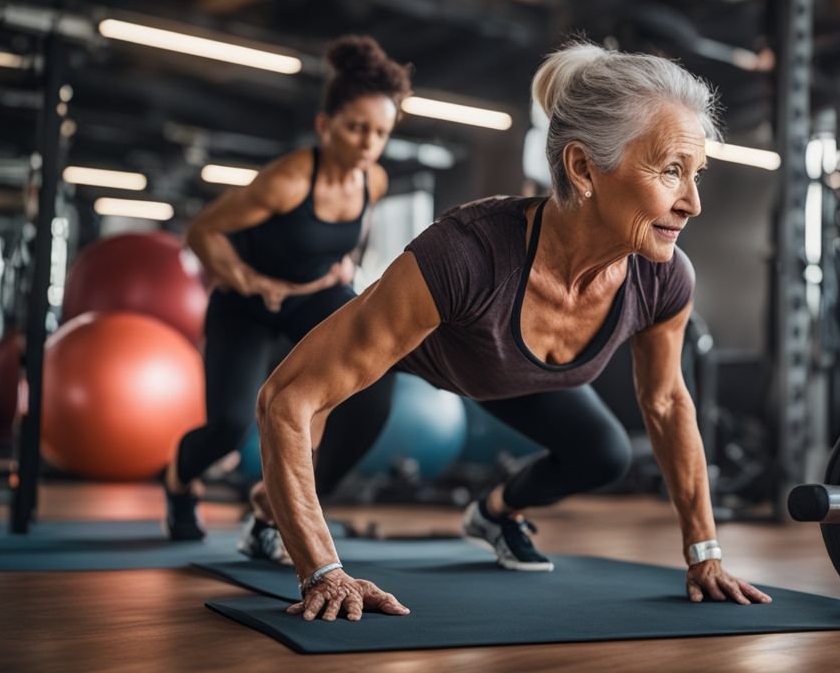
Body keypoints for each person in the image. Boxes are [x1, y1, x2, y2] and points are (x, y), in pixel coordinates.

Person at [253, 41, 772, 622]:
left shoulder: (664, 277)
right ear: (583, 168)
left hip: (507, 371)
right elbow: (285, 398)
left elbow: (668, 403)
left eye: (696, 173)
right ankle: (268, 514)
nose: (693, 203)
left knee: (601, 455)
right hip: (418, 350)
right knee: (340, 445)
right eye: (672, 170)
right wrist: (322, 570)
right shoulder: (466, 255)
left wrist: (705, 553)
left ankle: (495, 514)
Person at [163, 35, 412, 559]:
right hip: (246, 305)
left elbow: (353, 231)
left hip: (313, 296)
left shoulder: (375, 181)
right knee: (229, 428)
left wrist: (345, 263)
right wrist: (251, 281)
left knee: (371, 393)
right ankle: (180, 479)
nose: (369, 143)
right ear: (325, 126)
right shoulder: (289, 181)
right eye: (356, 127)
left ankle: (280, 509)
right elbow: (203, 231)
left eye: (381, 132)